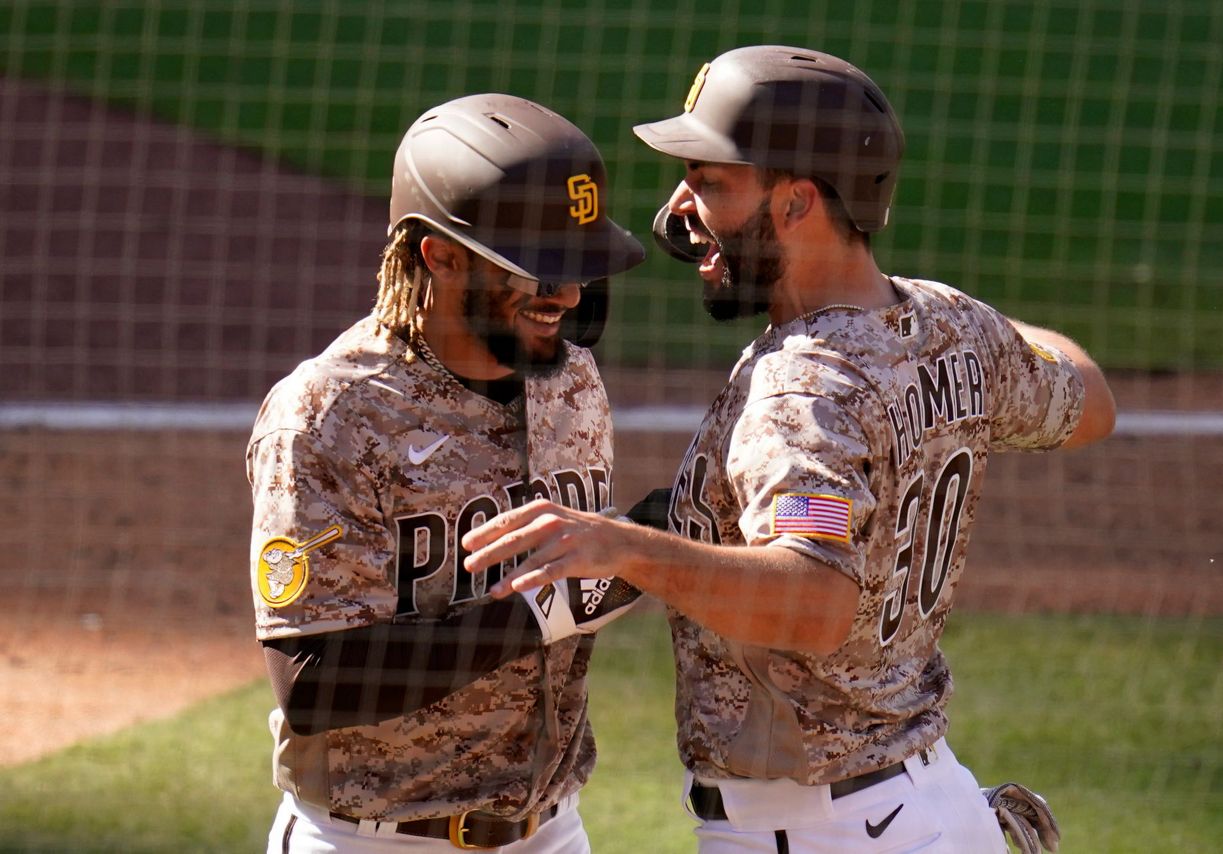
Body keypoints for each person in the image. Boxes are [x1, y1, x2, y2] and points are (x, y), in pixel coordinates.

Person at [461, 46, 1115, 853]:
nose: (678, 210)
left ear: (799, 202)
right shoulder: (950, 325)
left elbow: (813, 600)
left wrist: (623, 547)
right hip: (925, 803)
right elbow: (1089, 397)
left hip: (820, 830)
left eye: (711, 182)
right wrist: (974, 341)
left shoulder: (801, 391)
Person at [246, 93, 645, 853]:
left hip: (552, 830)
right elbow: (310, 679)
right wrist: (551, 607)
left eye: (575, 267)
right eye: (537, 269)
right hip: (378, 838)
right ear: (440, 253)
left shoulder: (573, 381)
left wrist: (642, 548)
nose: (565, 295)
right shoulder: (332, 415)